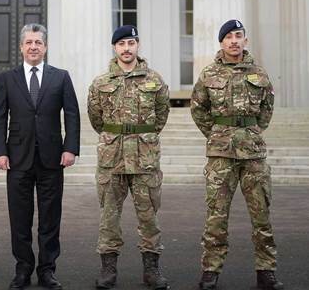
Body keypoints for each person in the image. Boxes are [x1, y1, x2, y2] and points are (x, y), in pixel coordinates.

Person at [191, 19, 283, 290]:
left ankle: (266, 271)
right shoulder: (208, 74)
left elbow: (266, 110)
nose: (234, 41)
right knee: (216, 215)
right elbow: (198, 110)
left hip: (253, 154)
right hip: (221, 154)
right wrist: (218, 134)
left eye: (238, 35)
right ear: (221, 42)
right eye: (228, 37)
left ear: (245, 40)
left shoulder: (260, 74)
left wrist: (251, 132)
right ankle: (210, 270)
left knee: (261, 214)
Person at [0, 23, 80, 290]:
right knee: (20, 218)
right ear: (21, 47)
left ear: (45, 47)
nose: (33, 47)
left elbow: (72, 114)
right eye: (28, 42)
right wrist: (0, 152)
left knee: (50, 217)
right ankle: (23, 269)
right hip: (17, 158)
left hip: (52, 158)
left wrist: (70, 148)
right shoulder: (7, 79)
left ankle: (47, 270)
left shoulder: (61, 77)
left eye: (38, 42)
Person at [87, 25, 170, 290]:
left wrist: (141, 138)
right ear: (115, 48)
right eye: (121, 44)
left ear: (137, 46)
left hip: (145, 160)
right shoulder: (101, 83)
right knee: (109, 217)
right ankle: (108, 270)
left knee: (149, 217)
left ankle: (152, 271)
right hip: (112, 159)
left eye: (131, 43)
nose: (126, 48)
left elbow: (161, 115)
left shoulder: (155, 80)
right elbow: (96, 118)